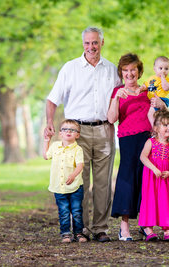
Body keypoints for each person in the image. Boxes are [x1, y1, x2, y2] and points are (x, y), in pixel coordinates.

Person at [45, 27, 121, 242]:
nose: (91, 47)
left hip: (105, 129)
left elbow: (121, 102)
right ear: (83, 45)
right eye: (87, 43)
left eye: (95, 43)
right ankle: (82, 229)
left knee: (103, 182)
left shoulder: (112, 70)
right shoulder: (70, 68)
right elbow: (52, 100)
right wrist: (50, 123)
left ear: (102, 43)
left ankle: (100, 228)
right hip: (77, 132)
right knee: (80, 182)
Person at [107, 53, 167, 241]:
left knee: (147, 181)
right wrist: (117, 98)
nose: (129, 73)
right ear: (121, 73)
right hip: (128, 139)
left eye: (133, 69)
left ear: (139, 71)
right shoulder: (117, 91)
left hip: (148, 139)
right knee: (127, 179)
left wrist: (161, 105)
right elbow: (111, 119)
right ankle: (124, 227)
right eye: (125, 70)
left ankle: (146, 225)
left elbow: (162, 115)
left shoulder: (148, 90)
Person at [43, 119, 87, 243]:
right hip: (59, 186)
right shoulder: (55, 146)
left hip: (75, 186)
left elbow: (80, 165)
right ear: (60, 133)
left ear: (77, 135)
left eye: (72, 130)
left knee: (77, 211)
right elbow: (46, 156)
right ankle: (66, 234)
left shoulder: (78, 149)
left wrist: (73, 175)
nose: (68, 131)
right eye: (65, 129)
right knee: (63, 211)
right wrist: (47, 140)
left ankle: (78, 233)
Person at [138, 110, 169, 242]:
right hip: (151, 178)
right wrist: (154, 169)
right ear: (156, 128)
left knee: (165, 202)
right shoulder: (151, 142)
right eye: (165, 125)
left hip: (164, 180)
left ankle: (166, 229)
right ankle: (148, 229)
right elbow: (143, 157)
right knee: (150, 201)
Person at [141, 56, 169, 127]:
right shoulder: (151, 78)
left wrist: (163, 78)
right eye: (160, 68)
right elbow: (146, 85)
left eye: (166, 69)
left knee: (150, 114)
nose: (163, 71)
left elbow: (166, 88)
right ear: (154, 69)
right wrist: (141, 88)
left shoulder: (167, 80)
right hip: (153, 100)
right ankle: (163, 129)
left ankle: (154, 128)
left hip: (161, 99)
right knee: (158, 117)